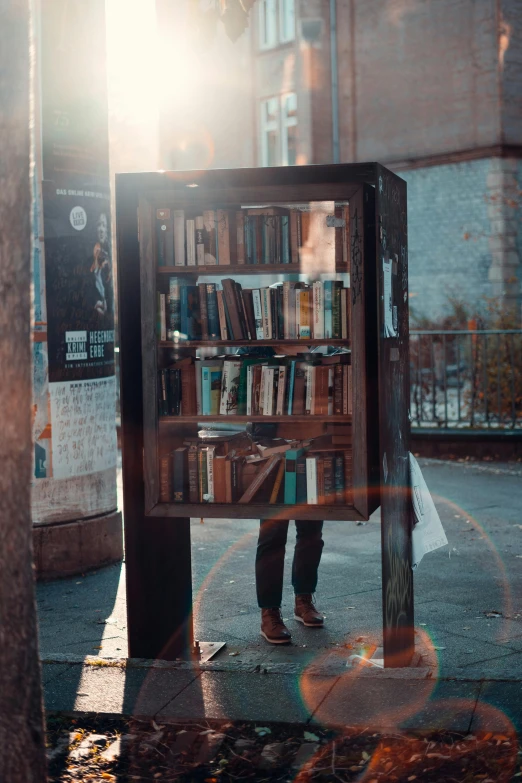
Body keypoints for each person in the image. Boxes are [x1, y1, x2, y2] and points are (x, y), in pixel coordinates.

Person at [239, 343, 325, 645]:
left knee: (312, 529)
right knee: (273, 534)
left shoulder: (315, 348)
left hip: (311, 446)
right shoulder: (263, 347)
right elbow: (243, 364)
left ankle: (304, 598)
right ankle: (269, 612)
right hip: (272, 450)